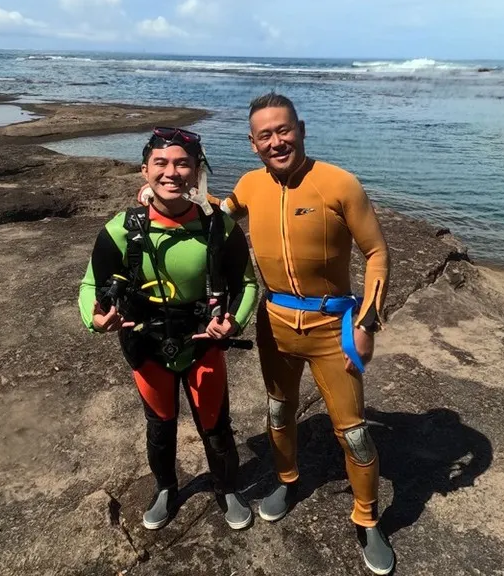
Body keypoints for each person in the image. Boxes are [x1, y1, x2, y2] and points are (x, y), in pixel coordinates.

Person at [221, 93, 396, 574]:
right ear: (253, 143)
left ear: (301, 128)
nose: (277, 141)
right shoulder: (250, 185)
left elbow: (377, 253)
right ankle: (286, 478)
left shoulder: (339, 183)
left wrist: (366, 323)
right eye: (265, 135)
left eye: (284, 130)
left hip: (331, 327)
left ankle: (368, 518)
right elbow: (216, 213)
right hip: (274, 322)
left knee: (355, 433)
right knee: (279, 409)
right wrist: (159, 193)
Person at [78, 126, 259, 531]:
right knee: (159, 425)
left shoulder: (220, 229)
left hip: (203, 344)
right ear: (145, 170)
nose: (171, 172)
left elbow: (248, 284)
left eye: (183, 164)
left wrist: (234, 320)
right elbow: (90, 283)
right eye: (161, 163)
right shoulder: (121, 229)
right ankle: (166, 487)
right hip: (146, 343)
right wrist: (94, 318)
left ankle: (227, 488)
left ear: (197, 172)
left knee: (215, 426)